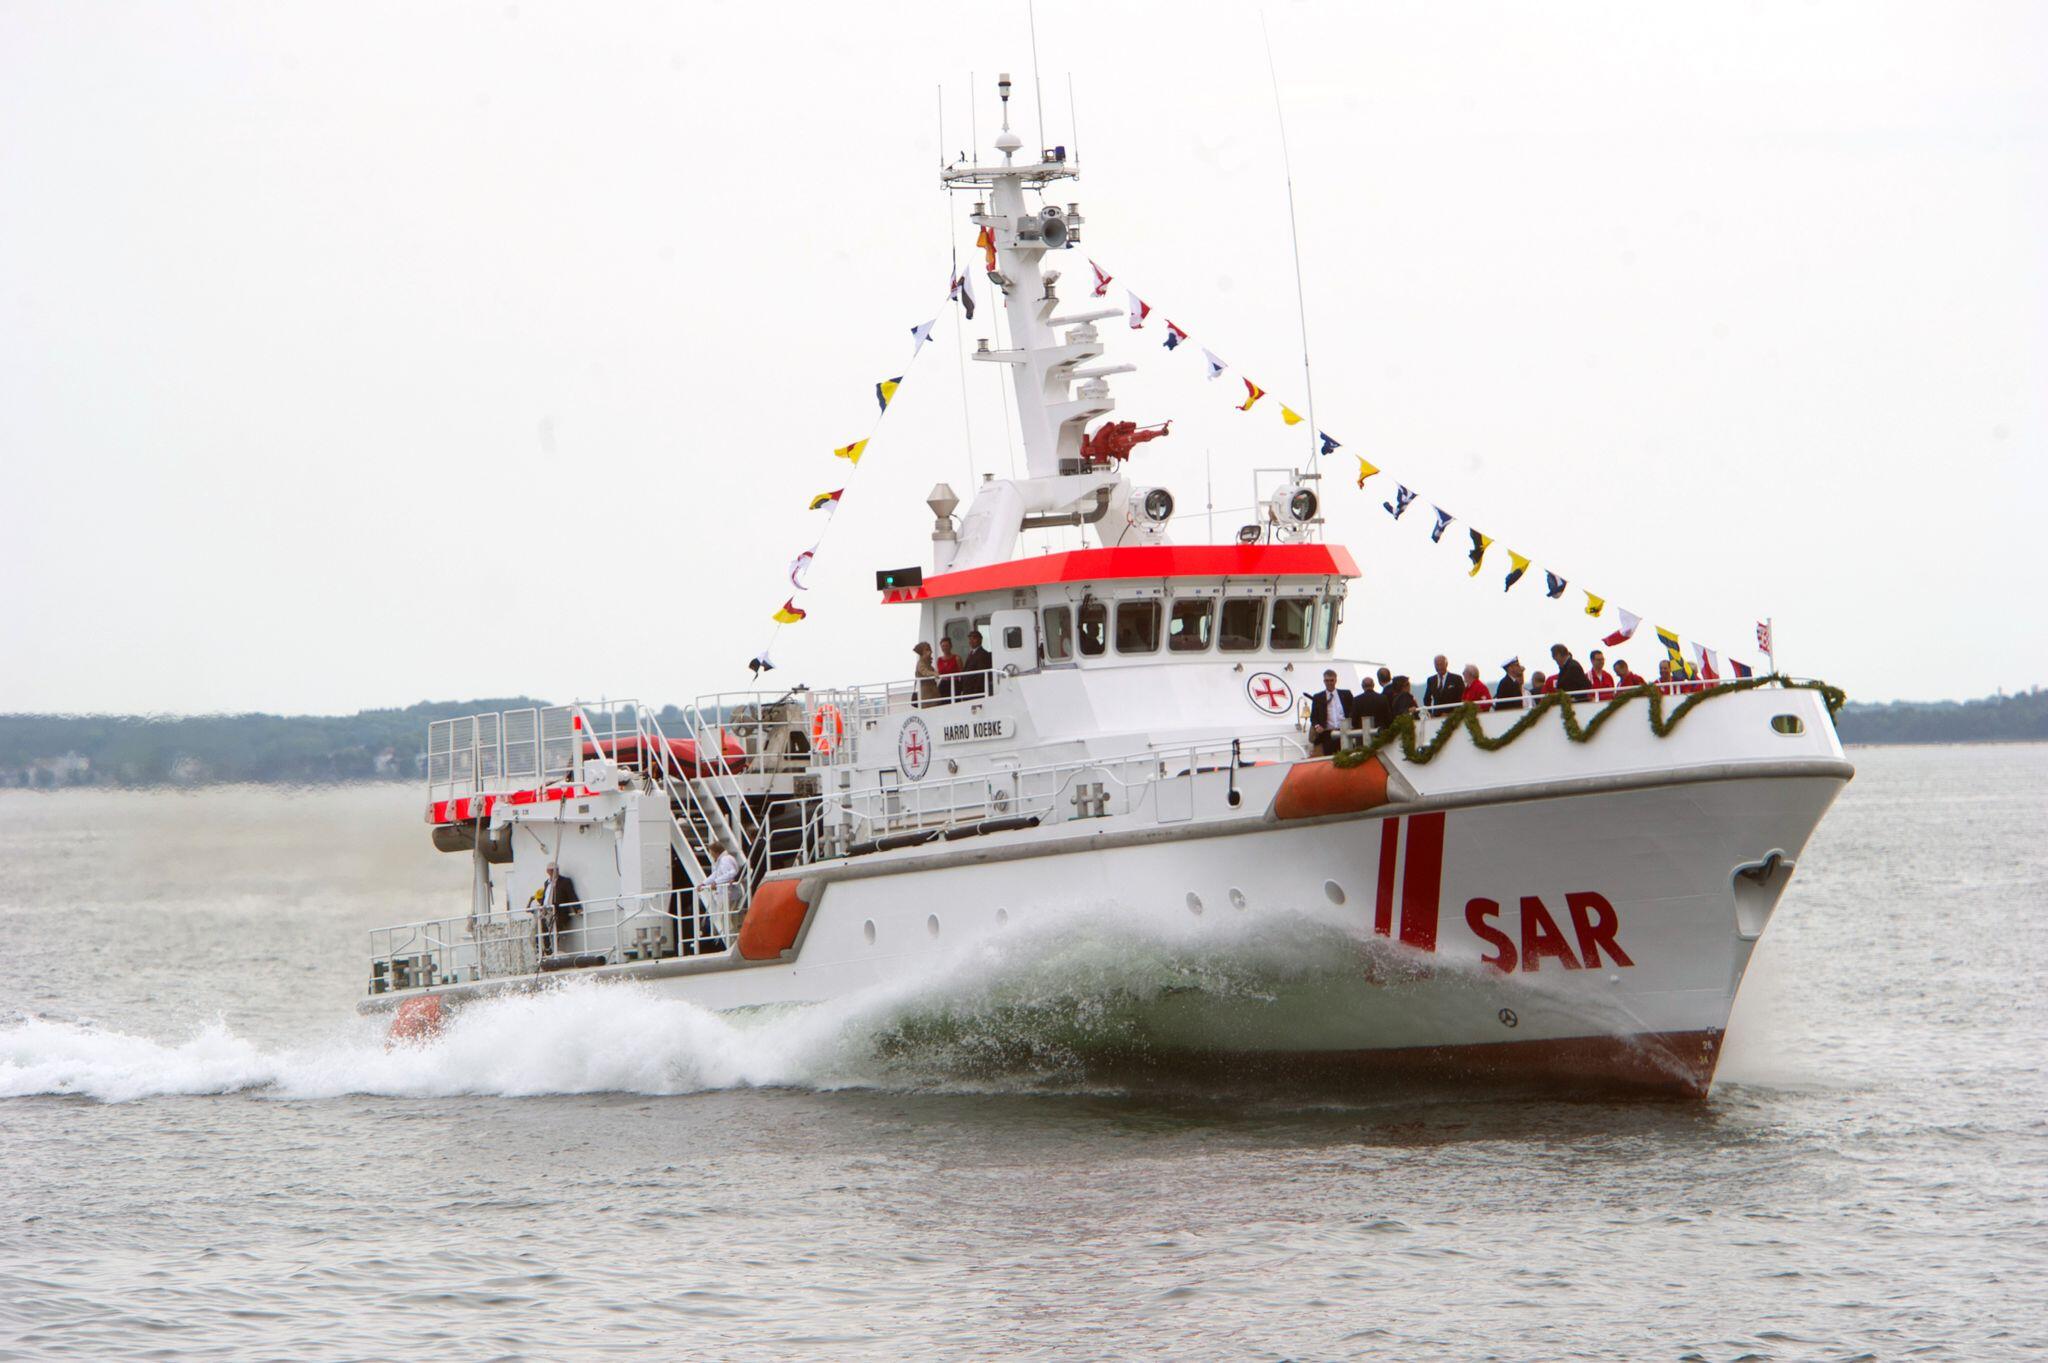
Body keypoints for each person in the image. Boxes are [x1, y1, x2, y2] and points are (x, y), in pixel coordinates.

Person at [694, 839, 741, 952]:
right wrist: (704, 883)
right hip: (728, 894)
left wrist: (716, 882)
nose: (711, 855)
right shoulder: (724, 860)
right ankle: (734, 943)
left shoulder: (725, 860)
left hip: (727, 894)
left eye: (711, 852)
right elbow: (716, 874)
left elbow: (731, 873)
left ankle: (732, 944)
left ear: (716, 852)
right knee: (729, 919)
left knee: (725, 919)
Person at [529, 862, 579, 956]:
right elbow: (545, 898)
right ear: (548, 871)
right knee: (538, 931)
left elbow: (571, 895)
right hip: (545, 912)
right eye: (552, 870)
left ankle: (552, 952)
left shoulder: (565, 882)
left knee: (552, 930)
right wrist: (541, 907)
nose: (554, 872)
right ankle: (543, 952)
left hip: (557, 912)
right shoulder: (547, 883)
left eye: (556, 870)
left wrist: (578, 908)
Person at [1308, 668, 1354, 756]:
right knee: (1330, 759)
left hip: (1344, 732)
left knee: (1347, 756)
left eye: (1331, 680)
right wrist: (1317, 726)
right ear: (1324, 681)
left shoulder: (1346, 694)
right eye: (1327, 680)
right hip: (1327, 734)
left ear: (1336, 680)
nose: (1329, 683)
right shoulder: (1318, 697)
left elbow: (1353, 711)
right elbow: (1313, 717)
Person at [957, 630, 994, 699]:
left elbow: (981, 675)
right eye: (970, 639)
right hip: (967, 690)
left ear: (980, 640)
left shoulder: (983, 654)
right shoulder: (971, 653)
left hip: (975, 691)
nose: (971, 641)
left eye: (974, 638)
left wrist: (976, 691)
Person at [912, 641, 940, 707]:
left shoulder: (927, 663)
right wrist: (933, 673)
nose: (930, 652)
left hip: (933, 693)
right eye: (927, 650)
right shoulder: (920, 663)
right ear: (922, 652)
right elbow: (925, 672)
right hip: (927, 695)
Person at [934, 636, 963, 700]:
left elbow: (962, 673)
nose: (945, 648)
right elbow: (939, 673)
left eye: (946, 646)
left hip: (954, 684)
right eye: (943, 646)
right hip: (943, 684)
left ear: (950, 646)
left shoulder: (957, 658)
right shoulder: (939, 660)